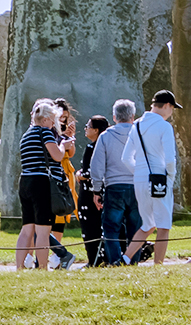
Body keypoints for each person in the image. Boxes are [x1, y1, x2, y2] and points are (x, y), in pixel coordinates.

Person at [121, 90, 179, 265]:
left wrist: (140, 173)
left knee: (148, 224)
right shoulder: (164, 126)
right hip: (159, 178)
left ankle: (125, 257)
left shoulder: (136, 125)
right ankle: (158, 265)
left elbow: (125, 158)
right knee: (163, 225)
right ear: (167, 105)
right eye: (172, 108)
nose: (171, 112)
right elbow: (170, 159)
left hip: (139, 179)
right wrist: (170, 178)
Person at [16, 100, 73, 270]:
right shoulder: (45, 133)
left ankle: (18, 267)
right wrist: (63, 145)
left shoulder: (25, 136)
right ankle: (42, 267)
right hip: (41, 183)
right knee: (43, 230)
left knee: (27, 229)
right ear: (47, 118)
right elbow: (56, 156)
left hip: (25, 181)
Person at [89, 99, 141, 267]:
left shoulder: (106, 136)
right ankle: (133, 261)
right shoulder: (140, 134)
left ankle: (115, 262)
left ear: (114, 117)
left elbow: (96, 165)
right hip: (137, 186)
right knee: (136, 228)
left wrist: (96, 189)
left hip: (114, 186)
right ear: (133, 116)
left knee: (111, 228)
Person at [47, 99, 81, 270]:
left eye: (66, 117)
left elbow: (71, 152)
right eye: (61, 116)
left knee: (62, 214)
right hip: (53, 171)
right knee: (47, 216)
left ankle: (56, 256)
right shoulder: (49, 131)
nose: (63, 120)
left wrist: (69, 137)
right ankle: (41, 255)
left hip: (66, 171)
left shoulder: (64, 131)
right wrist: (63, 139)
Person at [76, 115, 108, 267]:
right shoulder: (105, 145)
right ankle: (101, 258)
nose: (85, 129)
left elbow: (94, 171)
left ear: (96, 130)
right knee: (100, 227)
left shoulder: (93, 147)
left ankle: (94, 260)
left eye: (88, 126)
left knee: (90, 227)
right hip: (101, 192)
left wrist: (81, 174)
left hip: (90, 194)